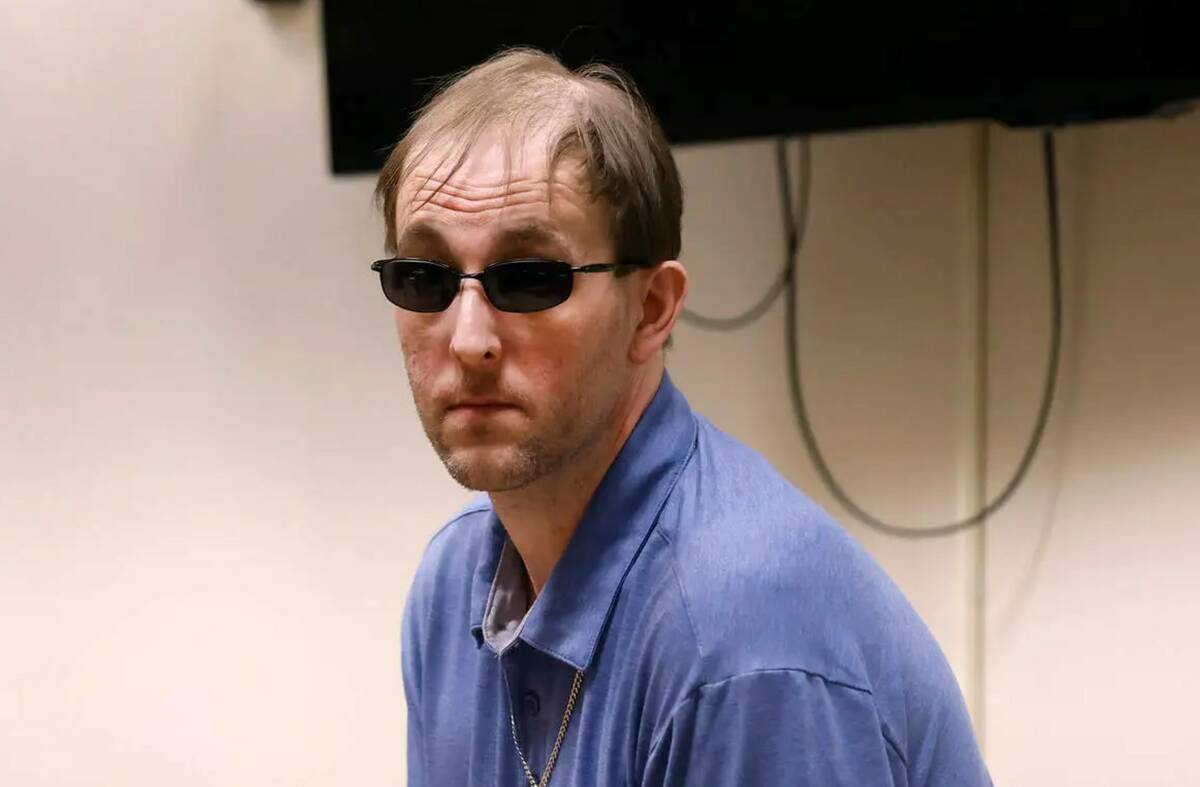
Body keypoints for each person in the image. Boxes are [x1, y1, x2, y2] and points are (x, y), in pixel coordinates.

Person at [371, 47, 991, 786]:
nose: (468, 338)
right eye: (425, 278)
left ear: (652, 309)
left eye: (530, 278)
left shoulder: (742, 640)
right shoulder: (452, 591)